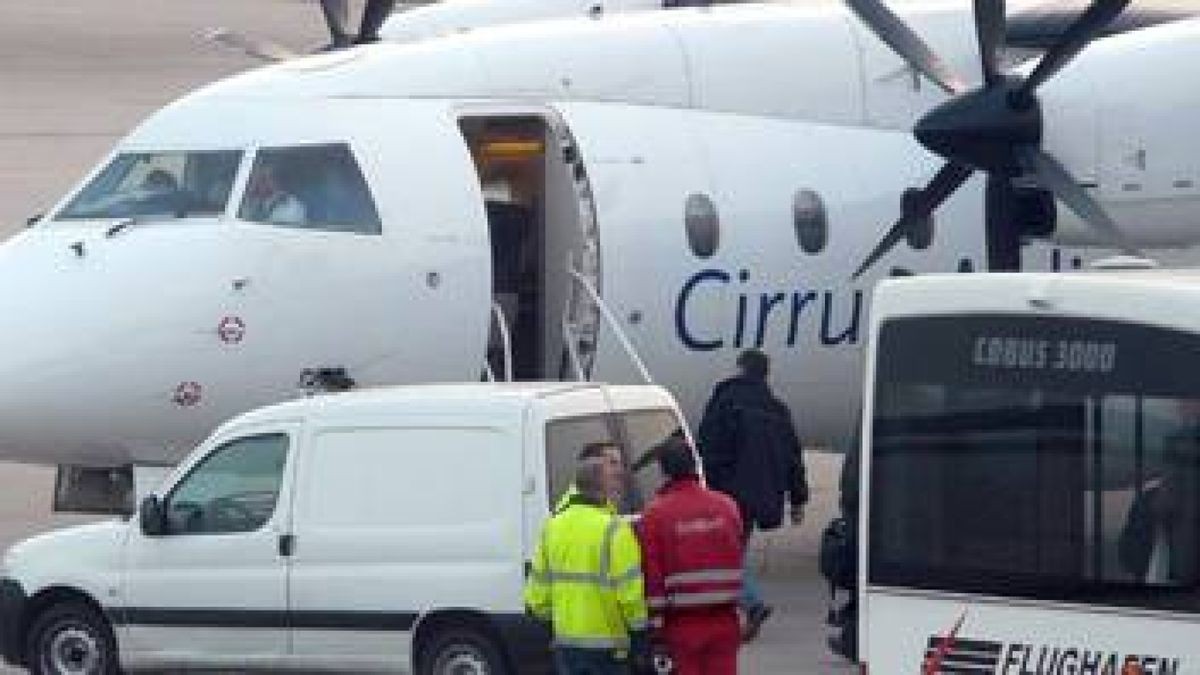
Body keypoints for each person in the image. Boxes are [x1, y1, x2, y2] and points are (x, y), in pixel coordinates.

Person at [697, 349, 808, 641]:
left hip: (727, 492)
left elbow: (709, 444)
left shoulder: (726, 400)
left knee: (721, 554)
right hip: (761, 497)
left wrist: (703, 484)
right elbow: (793, 457)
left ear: (740, 368)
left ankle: (750, 603)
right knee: (735, 550)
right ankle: (732, 611)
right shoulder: (778, 410)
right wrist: (798, 499)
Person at [526, 458, 651, 674]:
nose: (619, 488)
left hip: (567, 645)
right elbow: (630, 594)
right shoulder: (614, 529)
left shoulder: (553, 526)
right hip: (610, 649)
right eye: (615, 482)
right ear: (603, 490)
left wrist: (555, 622)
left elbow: (537, 596)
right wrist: (640, 636)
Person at [638, 436, 744, 675]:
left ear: (664, 473)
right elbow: (736, 555)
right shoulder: (727, 506)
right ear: (695, 467)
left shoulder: (655, 514)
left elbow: (653, 576)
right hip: (725, 619)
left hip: (682, 625)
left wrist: (655, 628)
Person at [554, 441, 627, 515]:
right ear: (592, 468)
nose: (620, 470)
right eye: (613, 462)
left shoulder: (602, 501)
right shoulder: (576, 509)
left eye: (621, 464)